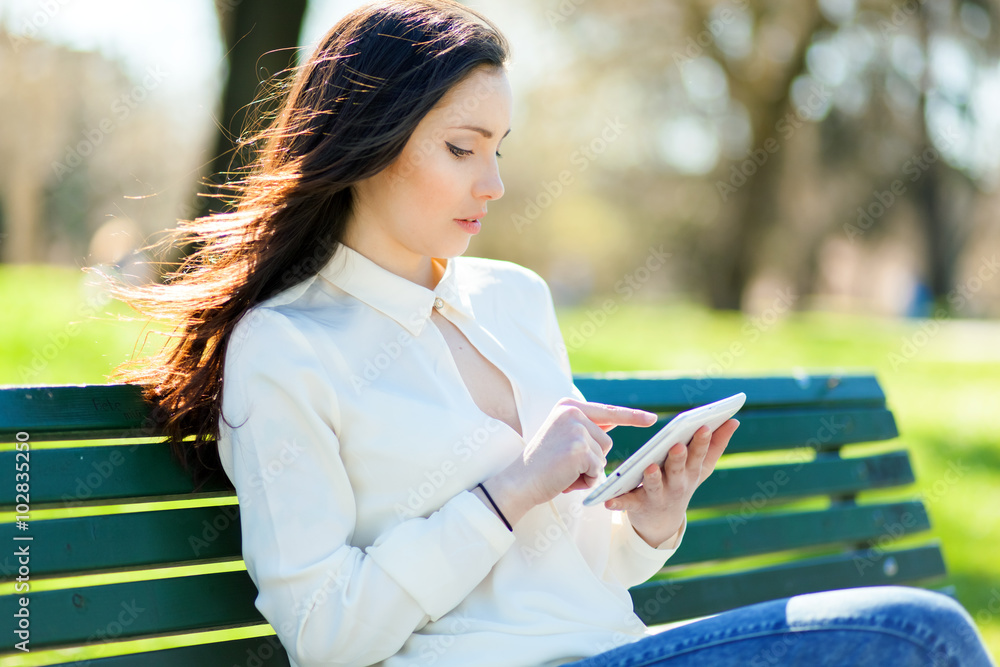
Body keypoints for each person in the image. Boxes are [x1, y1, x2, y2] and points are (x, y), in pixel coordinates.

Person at [102, 1, 997, 665]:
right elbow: (326, 634)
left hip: (615, 646)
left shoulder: (515, 298)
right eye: (462, 148)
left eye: (501, 148)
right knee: (916, 636)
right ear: (366, 142)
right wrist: (510, 491)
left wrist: (643, 527)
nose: (492, 183)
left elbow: (570, 572)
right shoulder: (288, 348)